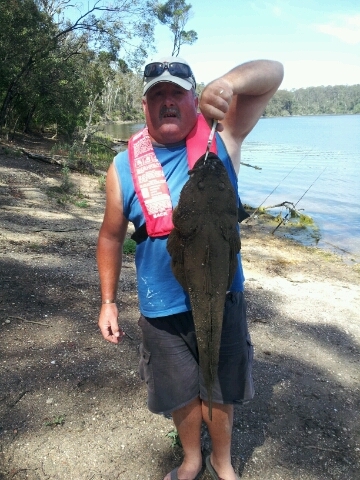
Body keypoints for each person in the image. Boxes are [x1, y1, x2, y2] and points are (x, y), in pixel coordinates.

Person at [97, 56, 283, 480]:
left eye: (176, 94)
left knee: (219, 387)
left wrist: (229, 82)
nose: (166, 103)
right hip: (161, 307)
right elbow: (110, 236)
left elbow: (273, 73)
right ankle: (191, 459)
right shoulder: (123, 166)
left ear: (194, 101)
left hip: (222, 297)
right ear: (144, 107)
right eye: (156, 96)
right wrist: (108, 301)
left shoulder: (224, 139)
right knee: (180, 390)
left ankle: (222, 460)